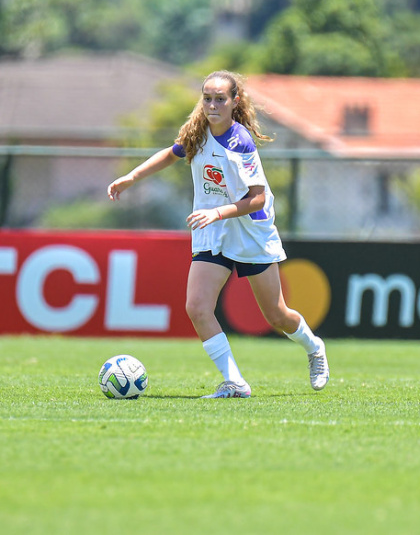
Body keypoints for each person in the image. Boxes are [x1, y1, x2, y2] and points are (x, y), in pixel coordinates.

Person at [107, 70, 329, 398]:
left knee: (276, 314)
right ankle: (235, 383)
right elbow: (171, 153)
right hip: (214, 230)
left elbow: (257, 198)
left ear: (234, 101)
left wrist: (217, 211)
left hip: (251, 230)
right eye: (207, 98)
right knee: (197, 307)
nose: (212, 105)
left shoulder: (241, 141)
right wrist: (132, 176)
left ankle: (314, 348)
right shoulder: (197, 131)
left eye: (220, 99)